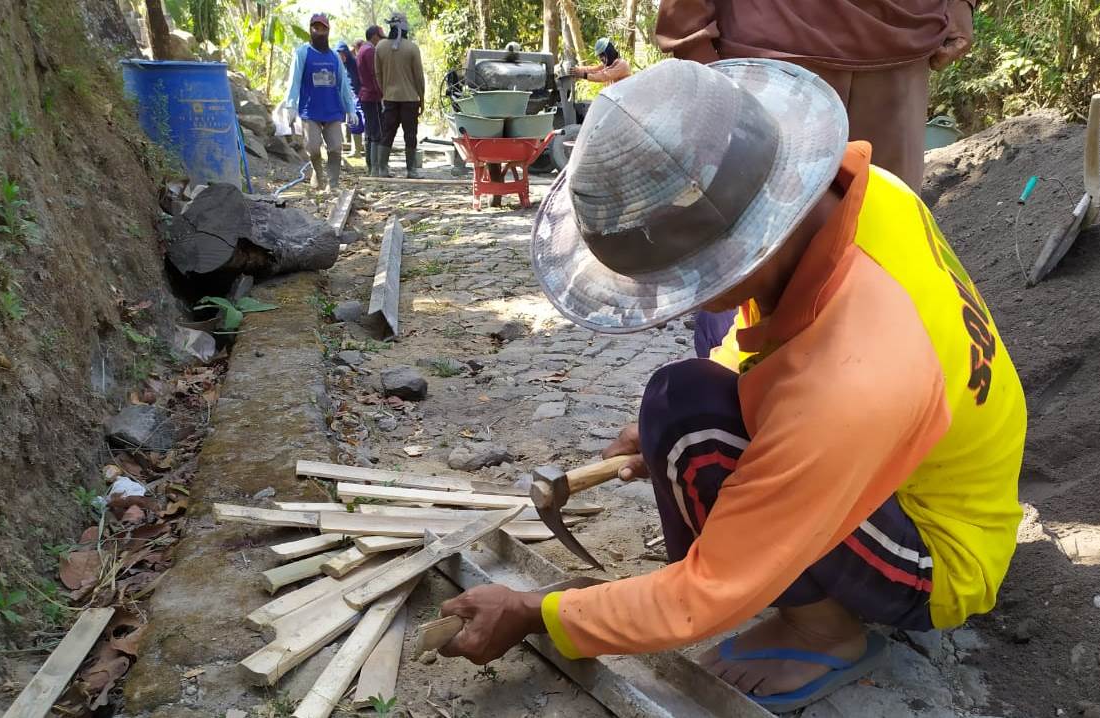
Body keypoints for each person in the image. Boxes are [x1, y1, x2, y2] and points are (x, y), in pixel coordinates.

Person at [433, 59, 1026, 713]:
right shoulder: (860, 197)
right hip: (896, 458)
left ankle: (824, 631)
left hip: (934, 554)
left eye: (677, 279)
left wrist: (536, 613)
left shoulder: (850, 380)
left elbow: (707, 595)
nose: (671, 299)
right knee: (684, 393)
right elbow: (763, 332)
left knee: (687, 419)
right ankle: (792, 562)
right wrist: (665, 432)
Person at [656, 0, 975, 192]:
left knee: (889, 242)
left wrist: (962, 4)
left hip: (902, 58)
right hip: (772, 62)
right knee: (768, 256)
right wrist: (693, 41)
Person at [282, 13, 357, 191]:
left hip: (333, 110)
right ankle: (318, 174)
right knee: (313, 147)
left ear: (328, 31)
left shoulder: (334, 57)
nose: (319, 31)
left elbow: (343, 85)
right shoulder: (302, 53)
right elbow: (294, 81)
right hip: (311, 111)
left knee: (336, 148)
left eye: (323, 28)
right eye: (316, 28)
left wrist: (350, 109)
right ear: (310, 30)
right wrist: (291, 105)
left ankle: (333, 184)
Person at [374, 12, 426, 179]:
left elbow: (378, 74)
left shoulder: (380, 47)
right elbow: (419, 77)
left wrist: (385, 91)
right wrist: (422, 98)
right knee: (410, 135)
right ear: (405, 27)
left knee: (387, 133)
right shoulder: (412, 48)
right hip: (410, 99)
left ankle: (382, 169)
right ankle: (411, 170)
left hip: (390, 98)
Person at [357, 25, 387, 176]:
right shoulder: (370, 51)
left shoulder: (363, 49)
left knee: (370, 131)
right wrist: (382, 93)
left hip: (366, 95)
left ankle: (371, 167)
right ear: (375, 36)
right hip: (372, 96)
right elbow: (375, 74)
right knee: (377, 132)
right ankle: (375, 168)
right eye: (380, 38)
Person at [336, 41, 364, 158]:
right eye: (339, 54)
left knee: (359, 121)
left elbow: (359, 80)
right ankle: (355, 150)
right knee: (351, 122)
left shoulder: (354, 63)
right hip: (349, 97)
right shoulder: (339, 65)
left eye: (342, 54)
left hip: (358, 96)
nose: (341, 57)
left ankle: (359, 150)